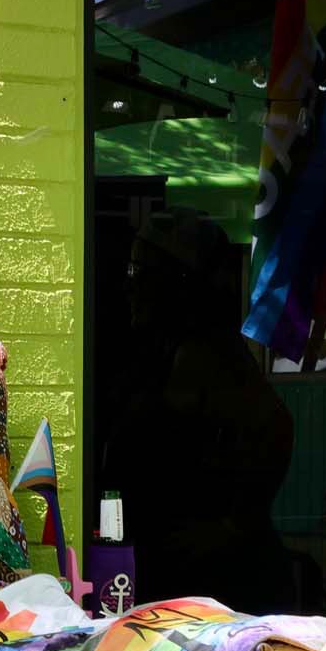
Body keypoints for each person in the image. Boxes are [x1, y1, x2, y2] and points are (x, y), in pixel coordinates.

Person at [99, 207, 300, 611]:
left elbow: (277, 424)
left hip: (215, 586)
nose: (128, 286)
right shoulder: (151, 353)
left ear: (177, 284)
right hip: (160, 573)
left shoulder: (208, 356)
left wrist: (231, 525)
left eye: (140, 273)